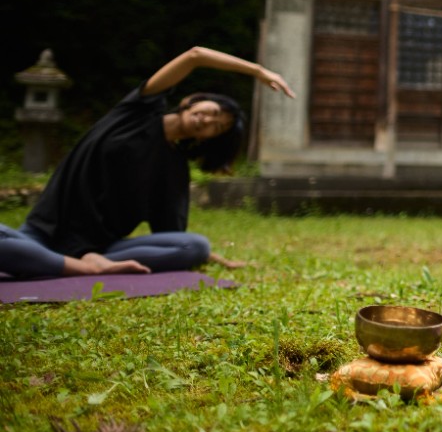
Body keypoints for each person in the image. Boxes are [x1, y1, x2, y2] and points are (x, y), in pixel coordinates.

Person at [0, 47, 294, 278]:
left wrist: (213, 258)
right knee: (13, 244)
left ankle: (67, 263)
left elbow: (172, 236)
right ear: (194, 100)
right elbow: (195, 55)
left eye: (216, 128)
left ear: (207, 139)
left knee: (196, 246)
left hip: (101, 247)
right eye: (213, 112)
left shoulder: (174, 168)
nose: (208, 121)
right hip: (46, 232)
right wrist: (258, 71)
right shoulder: (136, 111)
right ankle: (79, 267)